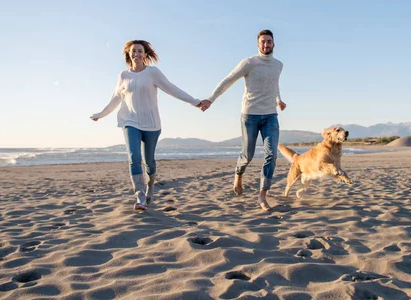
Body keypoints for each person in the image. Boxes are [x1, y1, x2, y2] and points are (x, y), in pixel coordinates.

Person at [91, 40, 203, 212]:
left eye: (140, 51)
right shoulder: (123, 76)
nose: (136, 54)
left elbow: (172, 89)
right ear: (128, 54)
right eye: (133, 51)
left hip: (151, 124)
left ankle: (150, 185)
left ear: (145, 54)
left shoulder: (152, 73)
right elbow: (115, 98)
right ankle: (140, 196)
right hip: (130, 121)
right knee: (134, 157)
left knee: (149, 161)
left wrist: (195, 102)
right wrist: (101, 114)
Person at [199, 30, 286, 211]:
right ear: (257, 44)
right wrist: (211, 99)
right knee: (248, 155)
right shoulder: (249, 63)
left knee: (271, 155)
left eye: (269, 42)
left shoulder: (278, 65)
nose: (266, 45)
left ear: (274, 44)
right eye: (262, 42)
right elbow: (228, 80)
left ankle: (262, 196)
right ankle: (238, 174)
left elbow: (274, 82)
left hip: (271, 115)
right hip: (250, 115)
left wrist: (278, 100)